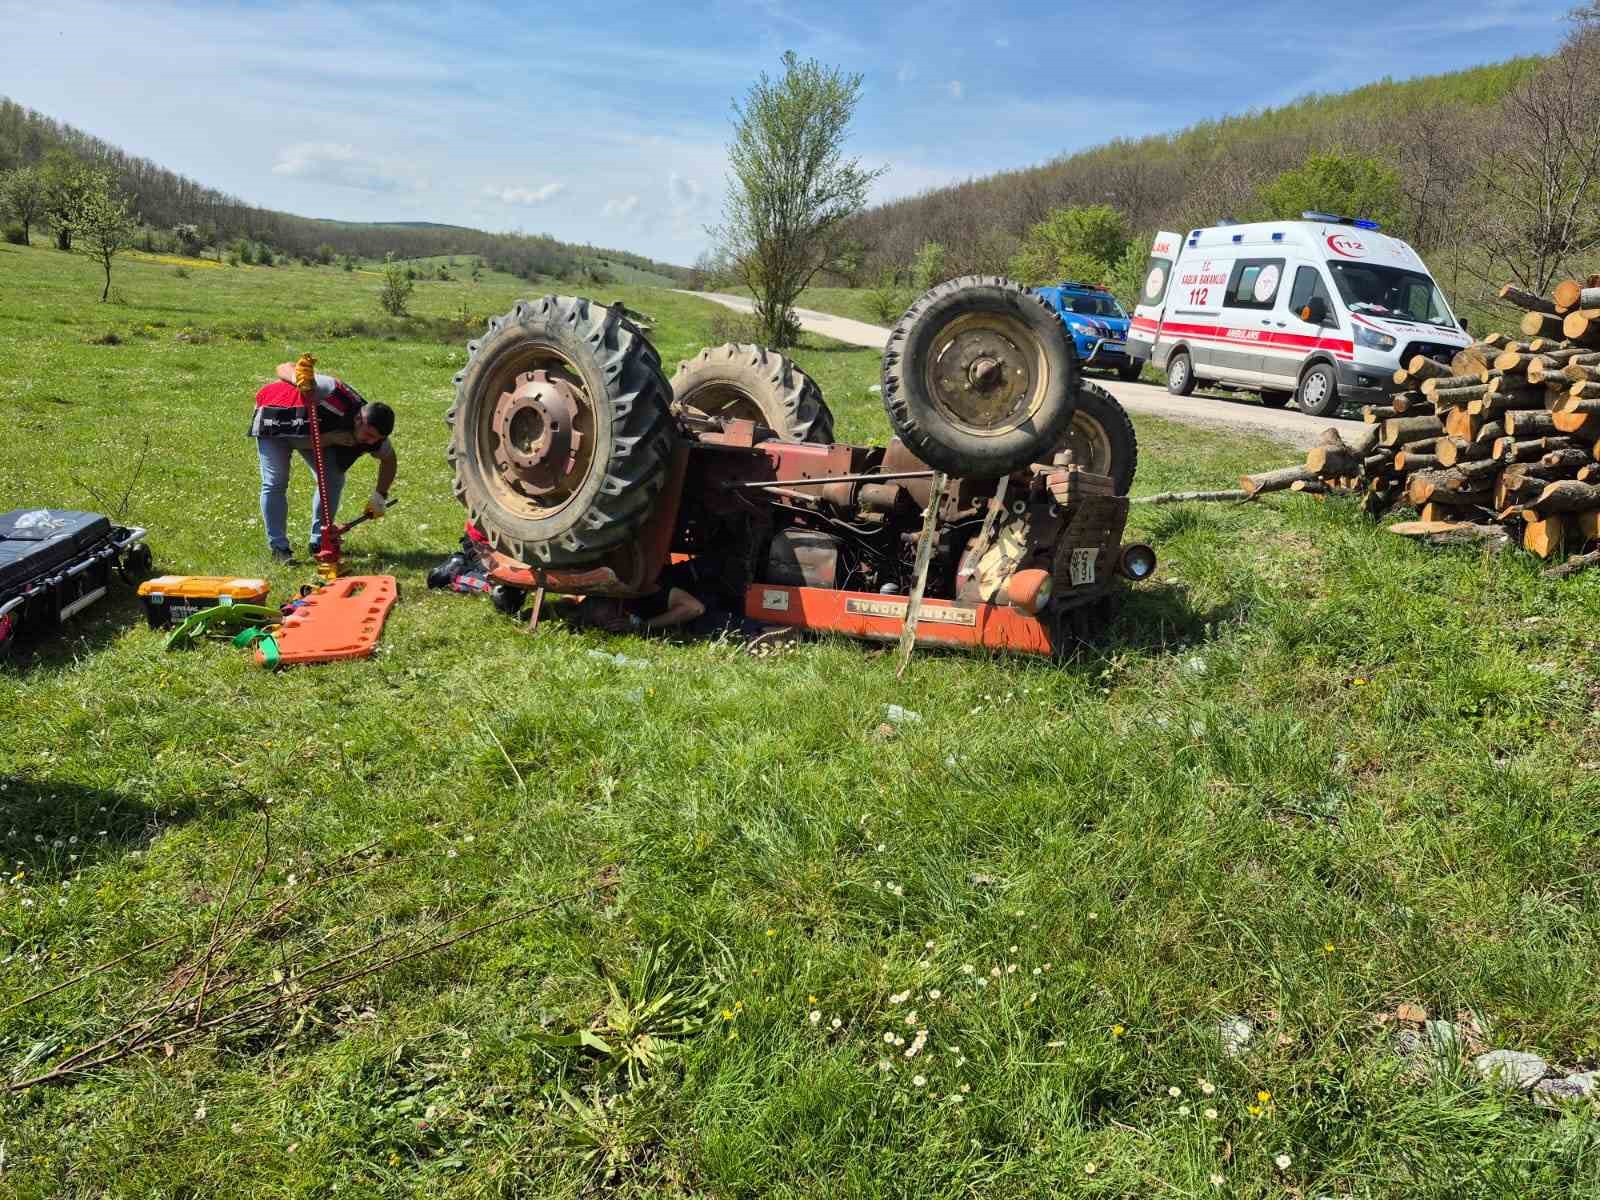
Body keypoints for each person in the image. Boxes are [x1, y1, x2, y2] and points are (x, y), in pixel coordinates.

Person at [251, 363, 398, 561]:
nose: (371, 442)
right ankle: (279, 548)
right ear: (357, 420)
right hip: (276, 416)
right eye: (369, 435)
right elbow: (283, 367)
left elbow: (389, 460)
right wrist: (299, 380)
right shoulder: (329, 392)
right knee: (276, 480)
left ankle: (320, 541)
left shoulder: (374, 433)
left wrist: (380, 496)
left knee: (333, 478)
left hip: (314, 430)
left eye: (376, 438)